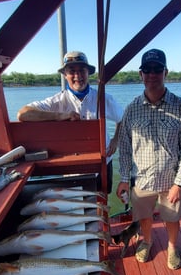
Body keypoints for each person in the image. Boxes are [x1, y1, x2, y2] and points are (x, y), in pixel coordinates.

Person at [116, 49, 181, 268]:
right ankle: (147, 241)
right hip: (141, 179)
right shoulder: (131, 109)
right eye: (147, 70)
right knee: (144, 216)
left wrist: (180, 183)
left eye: (157, 69)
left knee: (172, 218)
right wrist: (124, 178)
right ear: (141, 74)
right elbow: (124, 148)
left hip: (171, 180)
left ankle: (172, 247)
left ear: (165, 72)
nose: (152, 74)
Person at [17, 51, 124, 193]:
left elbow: (124, 119)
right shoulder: (56, 101)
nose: (77, 76)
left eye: (82, 71)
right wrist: (60, 116)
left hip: (103, 163)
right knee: (76, 205)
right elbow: (23, 114)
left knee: (102, 202)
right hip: (73, 168)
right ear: (65, 75)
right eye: (72, 71)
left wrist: (116, 139)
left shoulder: (104, 98)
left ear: (88, 73)